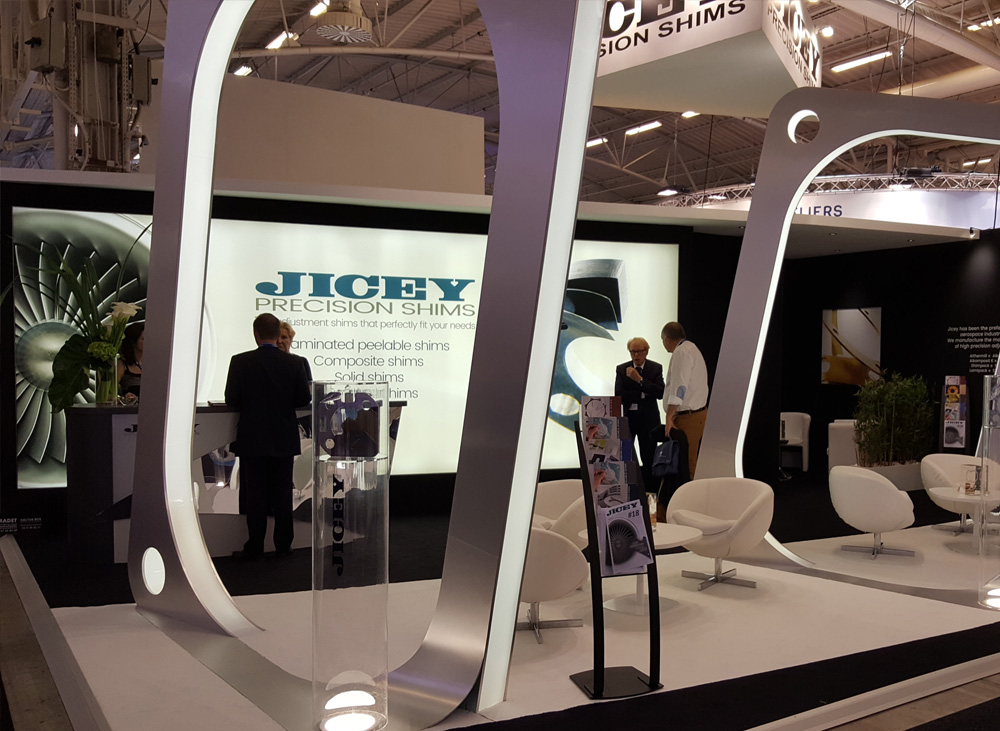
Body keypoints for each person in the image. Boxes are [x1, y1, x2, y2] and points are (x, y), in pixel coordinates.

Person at [225, 313, 311, 559]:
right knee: (283, 494)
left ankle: (255, 546)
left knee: (255, 495)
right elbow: (303, 399)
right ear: (276, 335)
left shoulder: (240, 362)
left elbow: (232, 398)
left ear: (256, 334)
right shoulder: (294, 363)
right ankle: (283, 546)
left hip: (252, 438)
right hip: (283, 437)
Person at [614, 336, 665, 492]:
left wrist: (640, 380)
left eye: (639, 352)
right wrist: (642, 394)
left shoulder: (655, 368)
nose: (636, 355)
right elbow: (619, 395)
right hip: (629, 419)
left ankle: (650, 493)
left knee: (649, 457)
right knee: (626, 457)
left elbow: (660, 392)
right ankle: (629, 492)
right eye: (632, 352)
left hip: (648, 420)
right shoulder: (622, 369)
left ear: (646, 351)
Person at [661, 321, 710, 480]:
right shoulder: (692, 348)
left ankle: (691, 495)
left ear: (667, 339)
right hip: (697, 415)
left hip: (689, 418)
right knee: (690, 462)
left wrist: (669, 416)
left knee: (687, 464)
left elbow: (679, 388)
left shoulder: (681, 352)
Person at [117, 322, 144, 398]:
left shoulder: (153, 363)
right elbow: (110, 392)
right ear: (133, 341)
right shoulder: (122, 364)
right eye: (143, 339)